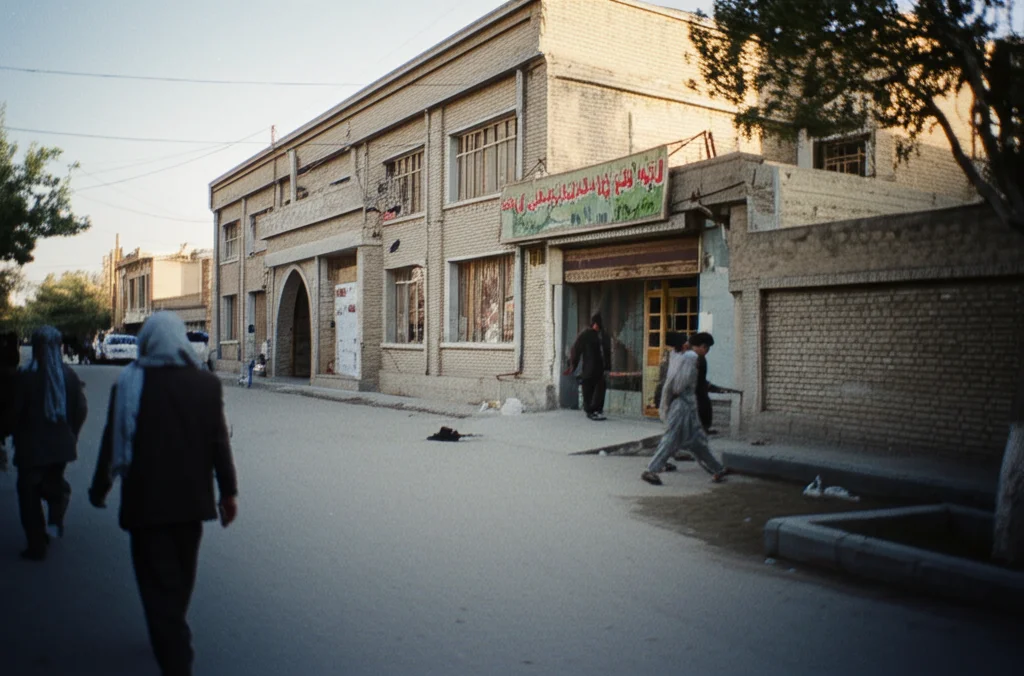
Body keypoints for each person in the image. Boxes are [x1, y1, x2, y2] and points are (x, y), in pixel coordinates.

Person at [89, 311, 238, 676]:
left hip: (145, 507)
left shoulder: (128, 383)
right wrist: (228, 494)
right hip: (191, 507)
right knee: (181, 578)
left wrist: (100, 488)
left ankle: (175, 654)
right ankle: (169, 631)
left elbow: (111, 441)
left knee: (157, 586)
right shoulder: (206, 385)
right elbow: (219, 443)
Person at [1, 326, 88, 560]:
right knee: (52, 481)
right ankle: (57, 506)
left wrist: (6, 432)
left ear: (37, 348)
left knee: (28, 493)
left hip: (31, 449)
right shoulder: (69, 375)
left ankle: (37, 543)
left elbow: (14, 412)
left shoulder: (26, 377)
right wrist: (72, 434)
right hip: (61, 449)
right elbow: (81, 409)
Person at [642, 331, 727, 485]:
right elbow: (680, 385)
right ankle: (651, 470)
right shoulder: (690, 358)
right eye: (706, 348)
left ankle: (717, 469)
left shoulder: (676, 356)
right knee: (671, 438)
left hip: (685, 405)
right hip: (682, 405)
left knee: (697, 441)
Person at [564, 313, 611, 420]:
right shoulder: (586, 334)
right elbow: (576, 350)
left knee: (600, 388)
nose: (597, 326)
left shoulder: (603, 335)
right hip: (589, 368)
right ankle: (589, 410)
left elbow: (606, 352)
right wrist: (572, 365)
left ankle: (597, 410)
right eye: (596, 324)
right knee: (588, 389)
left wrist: (608, 367)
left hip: (600, 368)